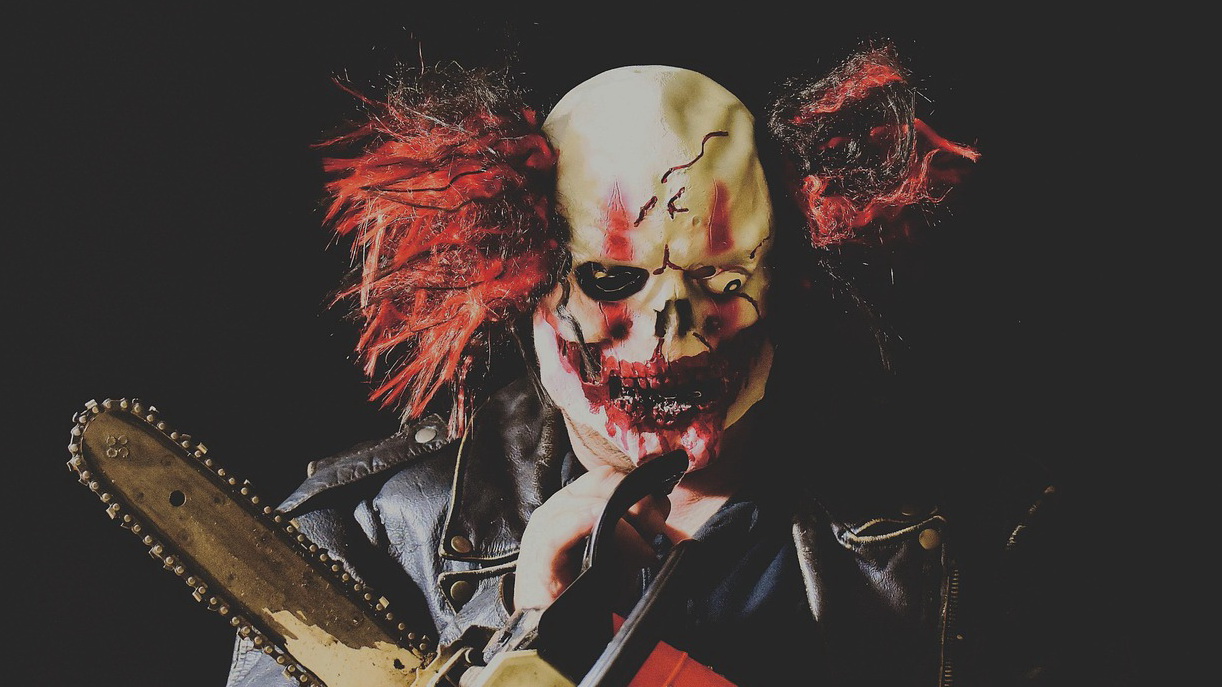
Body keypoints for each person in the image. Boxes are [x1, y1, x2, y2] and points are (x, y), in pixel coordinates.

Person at [226, 50, 1071, 687]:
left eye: (720, 276)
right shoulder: (366, 542)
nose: (671, 322)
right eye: (611, 279)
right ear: (521, 277)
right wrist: (523, 635)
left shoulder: (982, 535)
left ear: (785, 278)